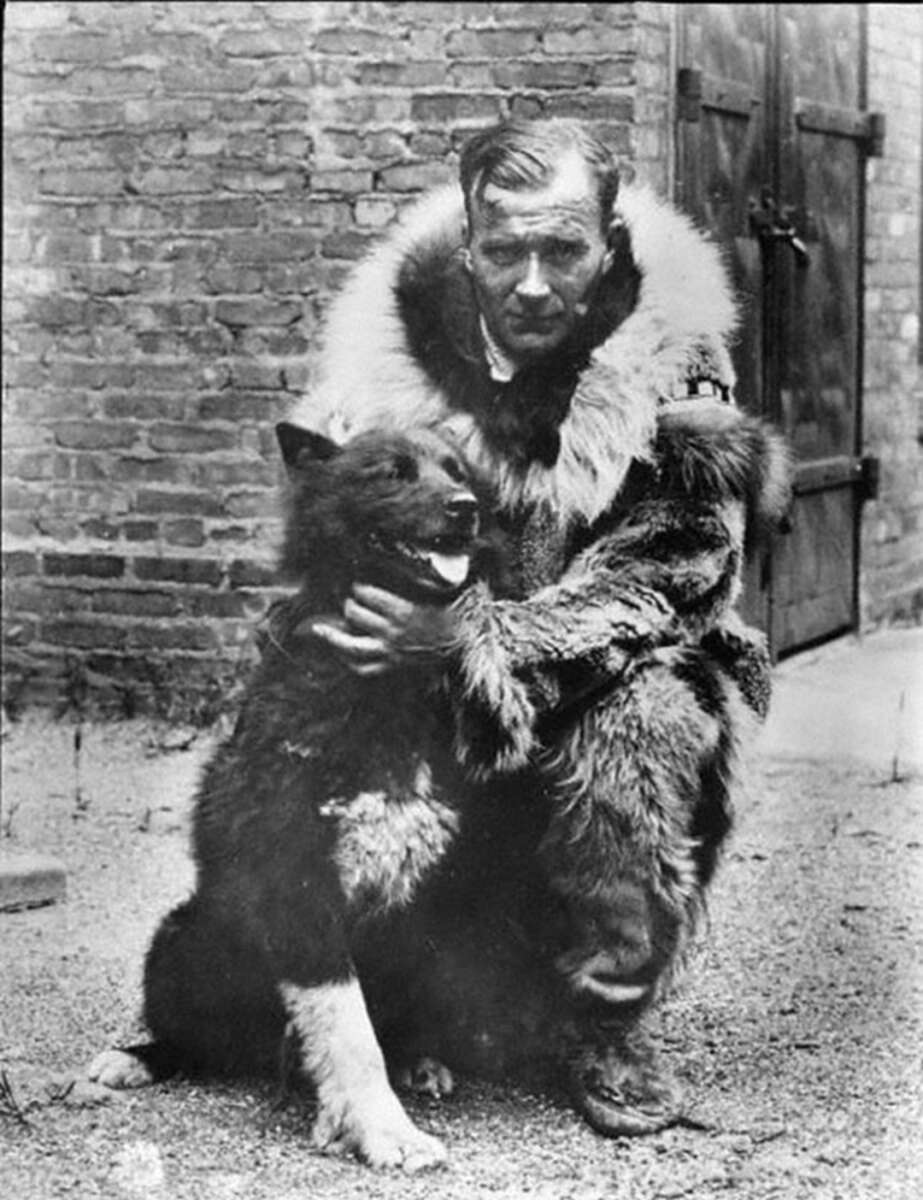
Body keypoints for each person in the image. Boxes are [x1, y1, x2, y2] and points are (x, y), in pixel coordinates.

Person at [282, 118, 789, 1135]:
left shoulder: (675, 358)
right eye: (503, 250)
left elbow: (677, 571)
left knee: (648, 719)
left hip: (614, 661)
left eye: (562, 250)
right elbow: (327, 541)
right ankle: (365, 978)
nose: (529, 284)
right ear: (467, 245)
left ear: (608, 243)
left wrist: (475, 643)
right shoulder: (388, 354)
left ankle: (606, 1016)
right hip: (441, 655)